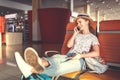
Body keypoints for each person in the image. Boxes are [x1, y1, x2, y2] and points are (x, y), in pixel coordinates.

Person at [15, 13, 107, 79]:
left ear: (87, 22)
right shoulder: (77, 35)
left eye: (80, 22)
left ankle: (30, 70)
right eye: (77, 23)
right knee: (54, 58)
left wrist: (81, 55)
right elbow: (69, 45)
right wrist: (75, 34)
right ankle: (37, 62)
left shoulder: (92, 37)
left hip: (80, 60)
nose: (78, 24)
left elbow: (96, 52)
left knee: (59, 68)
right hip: (68, 55)